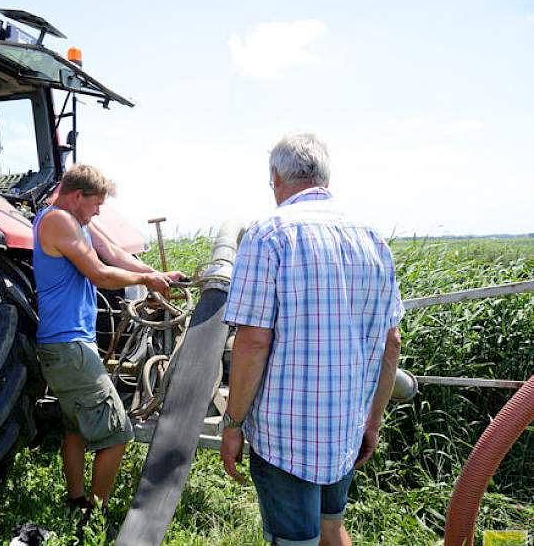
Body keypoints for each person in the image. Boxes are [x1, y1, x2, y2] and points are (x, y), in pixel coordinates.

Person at [220, 133, 403, 546]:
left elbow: (251, 342)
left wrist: (232, 424)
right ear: (324, 177)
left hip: (286, 436)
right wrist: (372, 420)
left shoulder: (268, 235)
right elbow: (391, 342)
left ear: (276, 178)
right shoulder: (372, 238)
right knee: (332, 527)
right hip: (345, 430)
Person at [33, 164, 184, 516]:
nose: (99, 211)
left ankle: (74, 504)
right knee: (117, 435)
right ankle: (93, 514)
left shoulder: (78, 222)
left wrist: (156, 274)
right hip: (70, 346)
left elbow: (113, 254)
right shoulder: (58, 221)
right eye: (95, 204)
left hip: (65, 346)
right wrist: (148, 284)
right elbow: (99, 274)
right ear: (76, 197)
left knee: (76, 430)